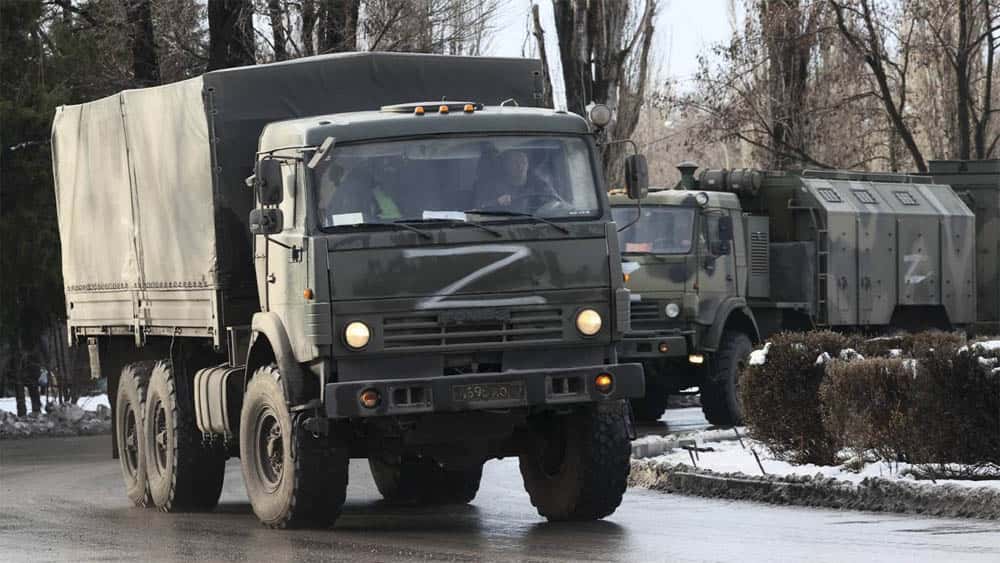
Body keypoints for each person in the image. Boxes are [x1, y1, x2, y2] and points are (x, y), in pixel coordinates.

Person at [475, 149, 563, 212]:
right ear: (505, 165)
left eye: (523, 162)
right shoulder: (491, 187)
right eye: (515, 162)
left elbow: (557, 202)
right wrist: (497, 202)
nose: (520, 166)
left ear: (528, 165)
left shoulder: (540, 184)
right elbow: (479, 211)